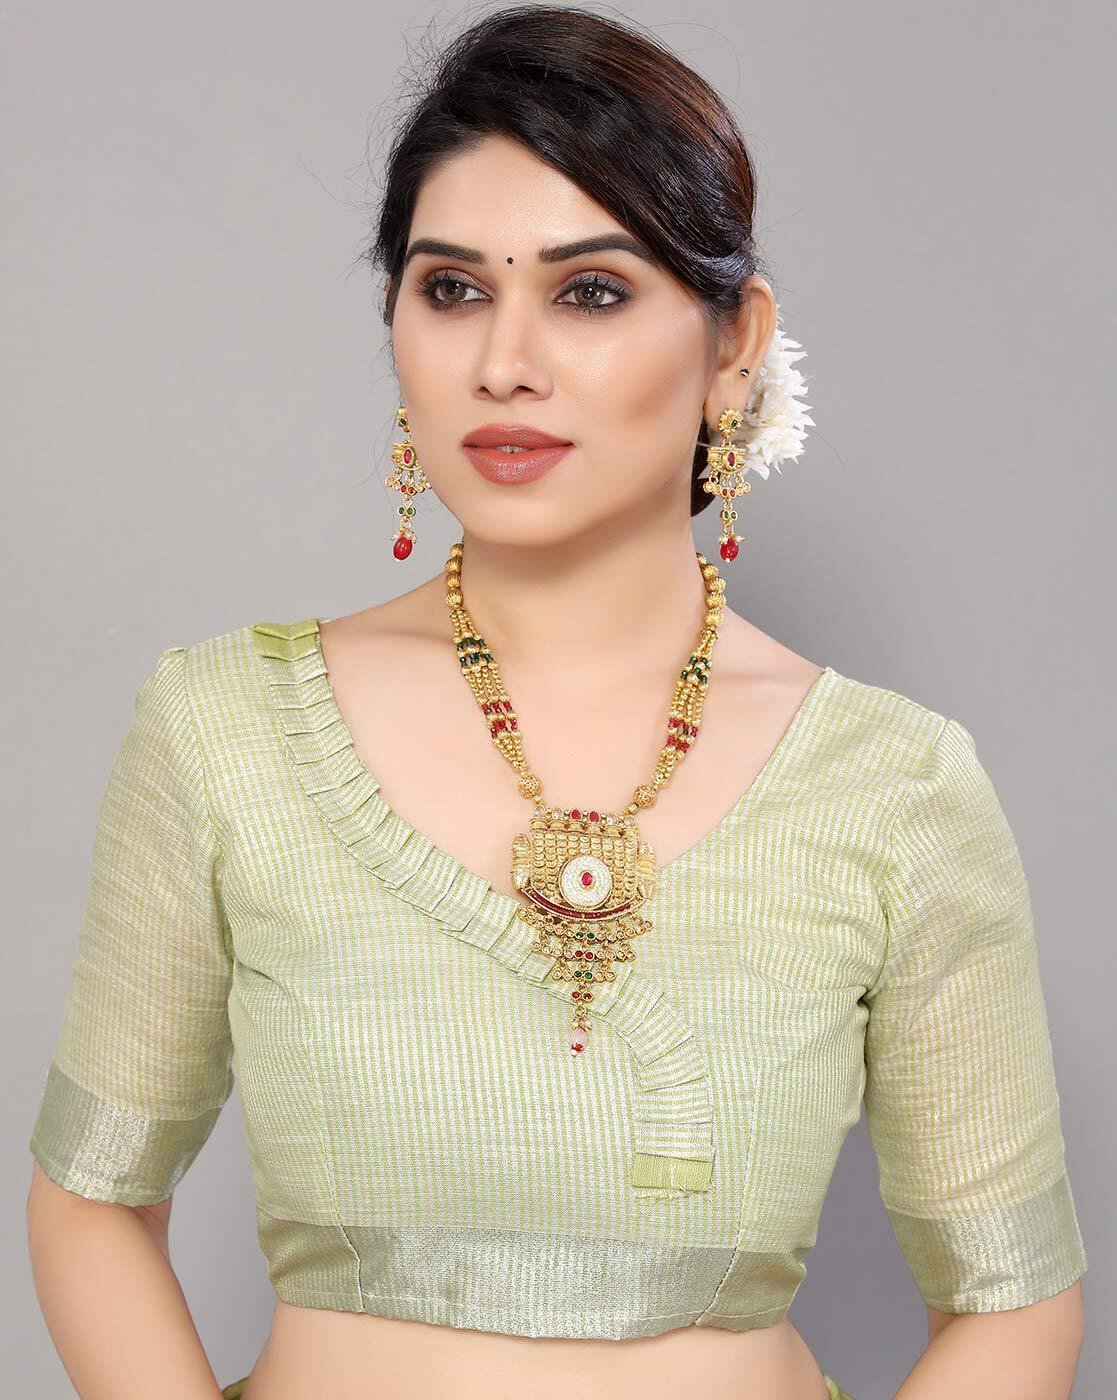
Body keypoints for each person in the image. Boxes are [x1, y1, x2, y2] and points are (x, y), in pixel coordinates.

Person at [25, 7, 1087, 1399]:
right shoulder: (223, 733)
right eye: (451, 289)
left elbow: (1014, 1304)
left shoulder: (896, 787)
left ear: (733, 345)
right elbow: (93, 1202)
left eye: (588, 292)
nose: (502, 361)